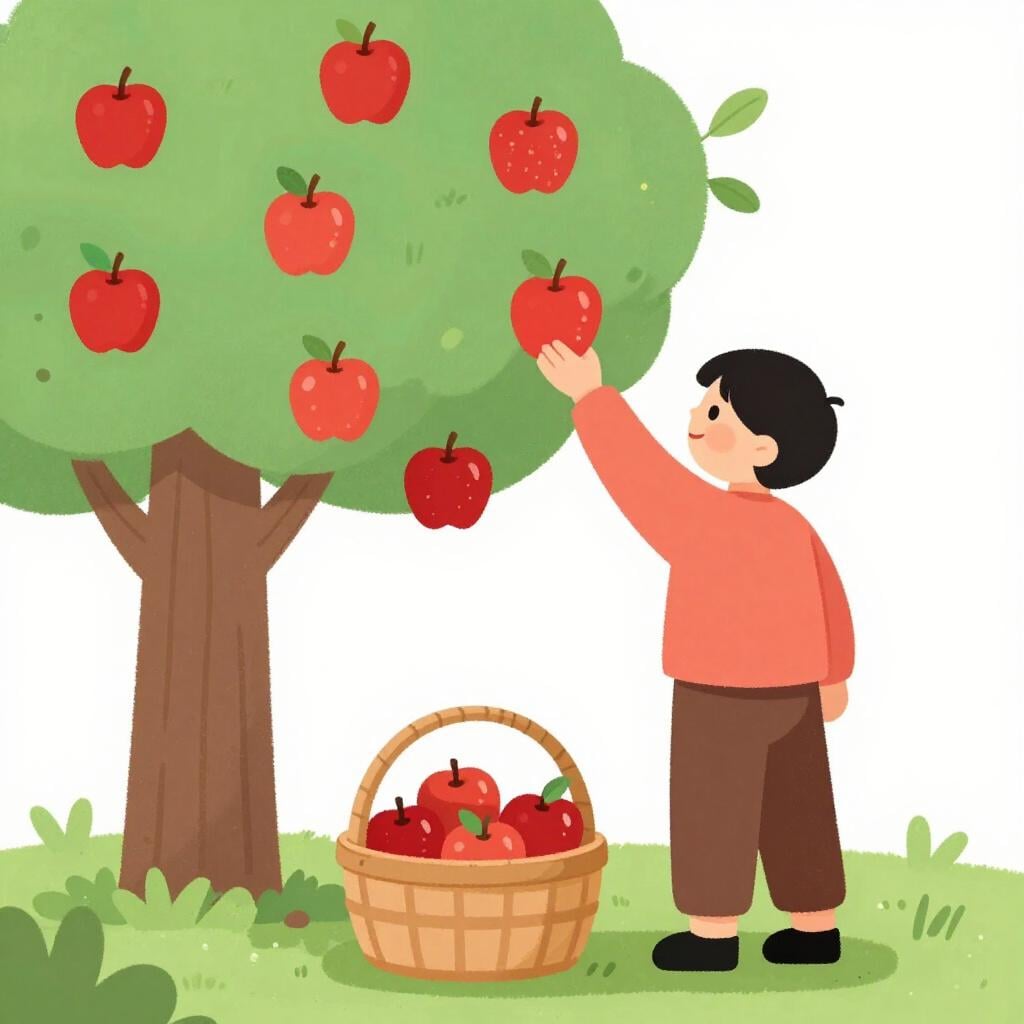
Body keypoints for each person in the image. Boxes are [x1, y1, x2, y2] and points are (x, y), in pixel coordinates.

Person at [538, 342, 854, 973]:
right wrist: (835, 675)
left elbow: (641, 477)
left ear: (763, 449)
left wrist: (592, 397)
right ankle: (816, 926)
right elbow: (831, 599)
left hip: (717, 694)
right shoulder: (795, 526)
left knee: (714, 808)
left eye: (714, 412)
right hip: (795, 694)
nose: (694, 416)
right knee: (799, 807)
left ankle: (712, 936)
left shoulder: (705, 517)